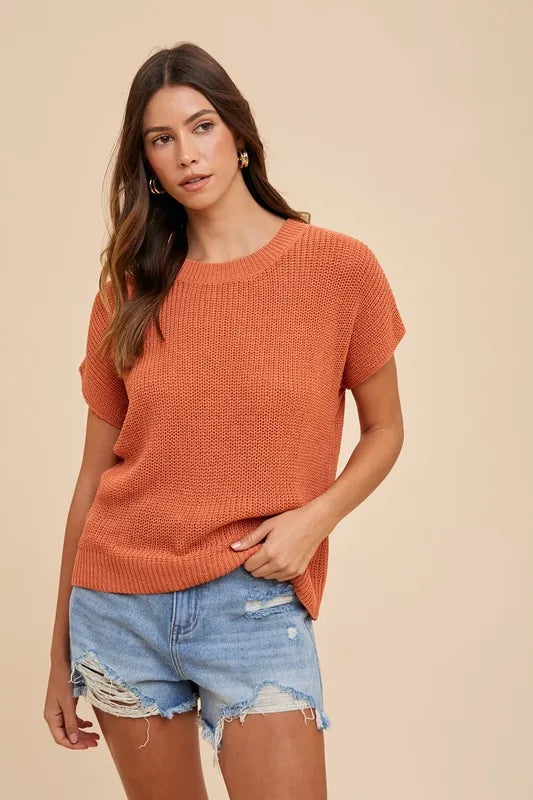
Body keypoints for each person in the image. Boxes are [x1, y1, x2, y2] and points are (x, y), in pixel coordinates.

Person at [43, 41, 407, 800]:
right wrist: (58, 657)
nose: (187, 154)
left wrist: (314, 521)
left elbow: (385, 430)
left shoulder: (337, 269)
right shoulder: (129, 289)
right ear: (146, 163)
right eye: (161, 138)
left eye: (201, 126)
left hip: (254, 601)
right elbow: (93, 477)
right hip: (119, 609)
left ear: (238, 134)